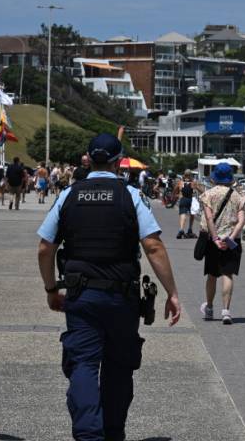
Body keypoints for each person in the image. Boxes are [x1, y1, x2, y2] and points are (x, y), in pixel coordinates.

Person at [37, 133, 181, 441]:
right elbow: (153, 246)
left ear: (88, 159)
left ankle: (89, 434)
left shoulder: (69, 195)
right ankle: (113, 432)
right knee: (118, 366)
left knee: (83, 365)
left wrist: (51, 289)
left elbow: (45, 247)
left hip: (81, 295)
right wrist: (172, 292)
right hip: (121, 297)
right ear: (119, 162)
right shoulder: (131, 195)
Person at [198, 163, 245, 324]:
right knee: (227, 275)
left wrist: (215, 239)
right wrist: (230, 238)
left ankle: (210, 309)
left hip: (213, 241)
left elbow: (209, 219)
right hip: (232, 241)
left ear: (214, 177)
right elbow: (241, 221)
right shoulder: (238, 196)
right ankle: (226, 311)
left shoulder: (208, 195)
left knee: (212, 275)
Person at [175, 172, 197, 239]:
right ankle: (190, 229)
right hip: (191, 199)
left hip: (183, 199)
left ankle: (181, 229)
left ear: (184, 175)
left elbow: (175, 189)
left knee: (183, 214)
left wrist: (175, 194)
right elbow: (199, 189)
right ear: (191, 176)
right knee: (192, 214)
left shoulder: (180, 182)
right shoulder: (193, 183)